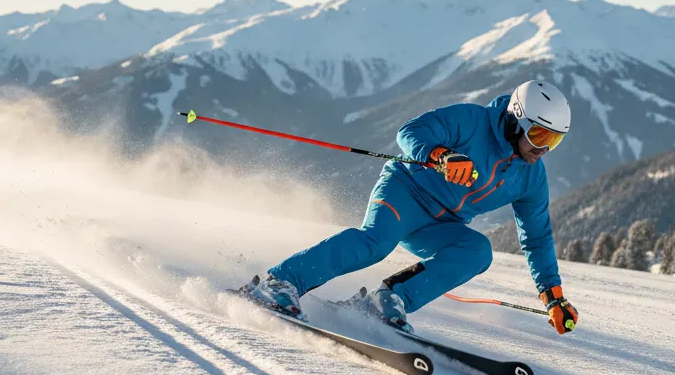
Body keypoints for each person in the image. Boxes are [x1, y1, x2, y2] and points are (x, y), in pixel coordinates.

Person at [245, 79, 579, 335]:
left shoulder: (531, 177)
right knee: (375, 244)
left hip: (442, 223)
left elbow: (536, 238)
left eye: (554, 140)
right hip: (405, 190)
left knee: (478, 251)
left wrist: (553, 296)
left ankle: (387, 300)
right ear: (516, 120)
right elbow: (410, 131)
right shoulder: (472, 121)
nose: (543, 149)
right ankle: (280, 282)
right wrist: (441, 155)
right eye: (539, 135)